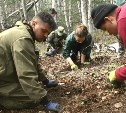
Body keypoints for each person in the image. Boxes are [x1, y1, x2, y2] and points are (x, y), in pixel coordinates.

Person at [0, 12, 63, 112]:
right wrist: (45, 102)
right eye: (44, 31)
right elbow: (26, 74)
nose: (46, 35)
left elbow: (32, 62)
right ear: (34, 24)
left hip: (4, 76)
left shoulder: (25, 34)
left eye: (48, 33)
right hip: (3, 81)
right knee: (33, 99)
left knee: (35, 91)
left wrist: (45, 81)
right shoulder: (22, 38)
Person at [91, 3, 126, 87]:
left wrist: (118, 74)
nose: (109, 33)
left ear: (109, 19)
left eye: (105, 29)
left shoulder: (122, 21)